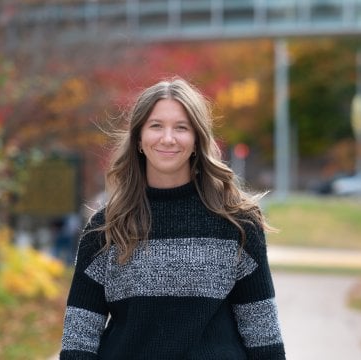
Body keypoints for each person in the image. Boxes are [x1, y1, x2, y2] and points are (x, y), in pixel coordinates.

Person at [60, 78, 286, 359]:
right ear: (139, 139)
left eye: (181, 127)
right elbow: (79, 337)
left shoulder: (238, 223)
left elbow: (262, 332)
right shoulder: (107, 227)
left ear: (196, 140)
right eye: (156, 126)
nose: (168, 138)